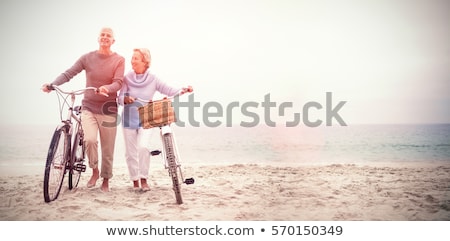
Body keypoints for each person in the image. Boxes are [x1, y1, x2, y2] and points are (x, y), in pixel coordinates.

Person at [42, 27, 125, 192]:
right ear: (98, 38)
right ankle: (94, 170)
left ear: (113, 41)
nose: (105, 37)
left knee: (108, 148)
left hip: (109, 109)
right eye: (102, 34)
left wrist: (107, 88)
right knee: (89, 140)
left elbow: (119, 82)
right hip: (89, 106)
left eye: (108, 36)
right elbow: (69, 73)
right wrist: (53, 85)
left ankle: (106, 180)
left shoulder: (119, 60)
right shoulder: (87, 58)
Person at [118, 48, 192, 191]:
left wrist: (182, 90)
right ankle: (135, 180)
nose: (132, 60)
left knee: (143, 147)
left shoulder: (153, 78)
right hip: (128, 119)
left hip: (147, 119)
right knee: (130, 153)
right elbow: (120, 98)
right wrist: (125, 99)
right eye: (132, 58)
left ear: (145, 62)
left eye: (136, 58)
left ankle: (143, 178)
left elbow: (169, 90)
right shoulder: (127, 78)